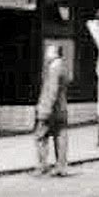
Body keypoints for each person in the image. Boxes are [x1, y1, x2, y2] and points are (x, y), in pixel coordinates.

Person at [34, 42, 71, 176]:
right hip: (61, 109)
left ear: (55, 53)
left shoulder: (54, 67)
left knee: (40, 136)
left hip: (50, 110)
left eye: (48, 51)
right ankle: (61, 167)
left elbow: (52, 90)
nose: (46, 54)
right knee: (60, 137)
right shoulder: (64, 67)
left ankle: (43, 165)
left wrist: (45, 109)